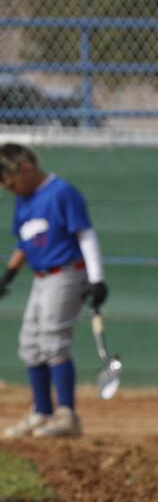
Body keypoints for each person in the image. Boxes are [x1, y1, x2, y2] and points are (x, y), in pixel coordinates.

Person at [0, 142, 109, 438]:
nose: (11, 190)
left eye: (11, 183)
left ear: (26, 168)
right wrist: (8, 275)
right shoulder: (25, 199)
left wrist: (96, 278)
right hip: (41, 277)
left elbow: (84, 234)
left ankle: (67, 416)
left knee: (53, 340)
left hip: (66, 274)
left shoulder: (62, 193)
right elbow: (24, 243)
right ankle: (42, 412)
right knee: (30, 344)